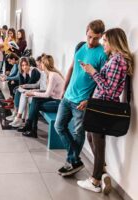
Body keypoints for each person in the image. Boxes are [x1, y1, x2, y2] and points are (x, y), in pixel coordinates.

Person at [77, 28, 134, 194]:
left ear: (114, 42)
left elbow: (109, 90)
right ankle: (101, 172)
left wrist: (93, 72)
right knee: (91, 136)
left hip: (104, 106)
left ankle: (95, 180)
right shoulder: (115, 59)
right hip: (99, 104)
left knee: (98, 141)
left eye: (105, 41)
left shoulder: (117, 61)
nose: (103, 44)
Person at [54, 19, 108, 177]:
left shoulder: (102, 55)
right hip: (67, 97)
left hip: (82, 102)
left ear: (101, 36)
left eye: (96, 38)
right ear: (86, 32)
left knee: (78, 132)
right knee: (59, 126)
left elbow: (102, 83)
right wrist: (64, 88)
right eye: (89, 37)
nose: (91, 41)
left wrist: (89, 101)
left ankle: (71, 162)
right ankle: (74, 160)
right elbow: (72, 67)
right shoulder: (79, 46)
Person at [21, 55, 64, 138]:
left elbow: (47, 94)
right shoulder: (50, 74)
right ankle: (31, 127)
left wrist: (33, 93)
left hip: (59, 103)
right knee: (35, 100)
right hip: (53, 98)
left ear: (44, 64)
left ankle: (30, 126)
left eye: (40, 63)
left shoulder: (52, 76)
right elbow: (47, 92)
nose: (39, 65)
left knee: (35, 105)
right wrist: (34, 92)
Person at [8, 57, 40, 127]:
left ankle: (18, 117)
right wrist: (23, 88)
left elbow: (30, 85)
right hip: (30, 92)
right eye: (22, 65)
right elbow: (21, 85)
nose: (24, 67)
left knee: (23, 94)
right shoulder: (21, 72)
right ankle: (18, 117)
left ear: (29, 65)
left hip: (37, 92)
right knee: (20, 92)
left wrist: (23, 88)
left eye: (26, 65)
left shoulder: (34, 71)